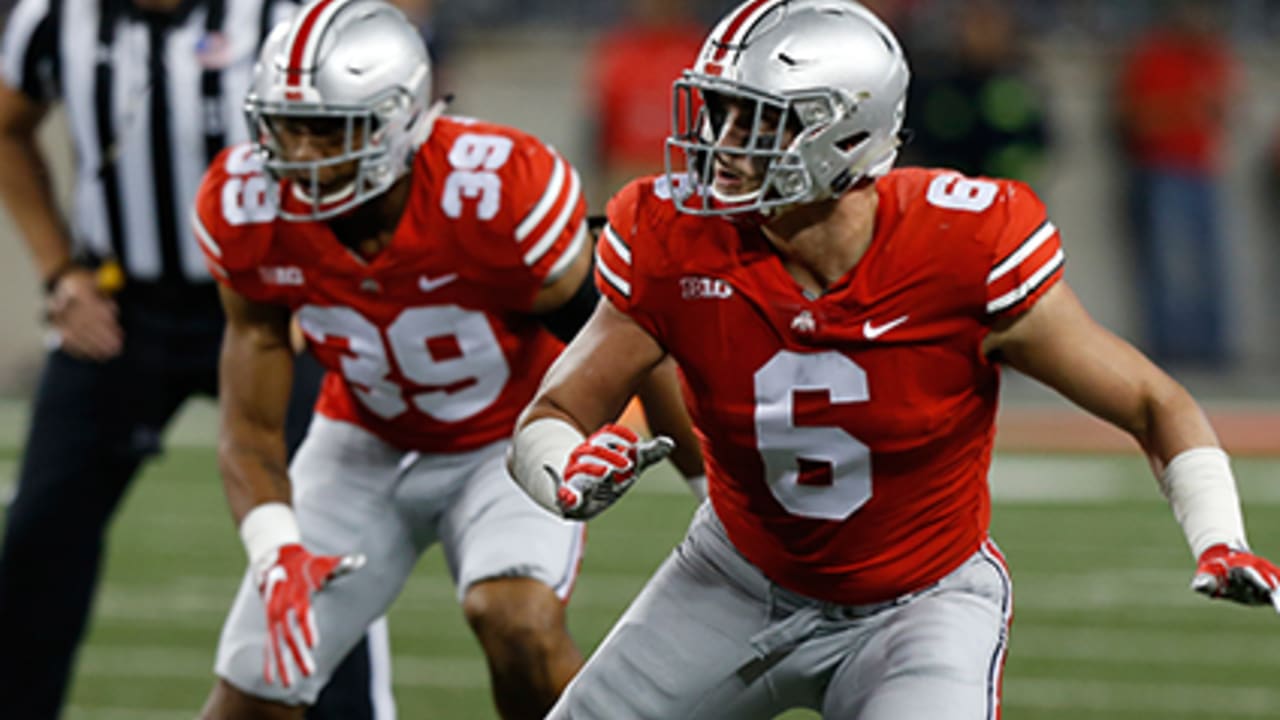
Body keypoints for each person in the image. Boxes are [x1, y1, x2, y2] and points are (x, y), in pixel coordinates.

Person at [508, 2, 1280, 718]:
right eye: (721, 110)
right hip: (731, 581)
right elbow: (553, 414)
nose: (723, 143)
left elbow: (1152, 402)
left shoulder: (961, 247)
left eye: (760, 119)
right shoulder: (675, 236)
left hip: (922, 605)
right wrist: (563, 474)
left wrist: (1219, 535)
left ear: (847, 135)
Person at [191, 1, 699, 718]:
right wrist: (277, 548)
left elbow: (630, 341)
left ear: (400, 120)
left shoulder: (497, 191)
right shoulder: (244, 204)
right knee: (253, 690)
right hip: (361, 440)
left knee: (515, 620)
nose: (301, 155)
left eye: (327, 129)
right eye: (286, 127)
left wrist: (712, 488)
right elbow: (248, 426)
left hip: (507, 438)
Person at [0, 0, 393, 717]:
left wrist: (331, 282)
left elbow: (376, 141)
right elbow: (7, 126)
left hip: (274, 305)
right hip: (118, 310)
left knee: (324, 525)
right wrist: (60, 272)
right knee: (38, 535)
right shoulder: (55, 16)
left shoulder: (284, 14)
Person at [1114, 0, 1237, 368]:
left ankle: (1212, 349)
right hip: (1160, 169)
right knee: (1165, 263)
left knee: (1210, 261)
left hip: (1202, 168)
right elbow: (1135, 119)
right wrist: (1184, 109)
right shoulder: (1151, 57)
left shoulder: (1210, 55)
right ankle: (1169, 349)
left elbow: (1224, 107)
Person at [901, 0, 1050, 185]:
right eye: (975, 25)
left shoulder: (1020, 89)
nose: (982, 36)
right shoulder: (935, 88)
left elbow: (1040, 144)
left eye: (990, 26)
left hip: (1004, 199)